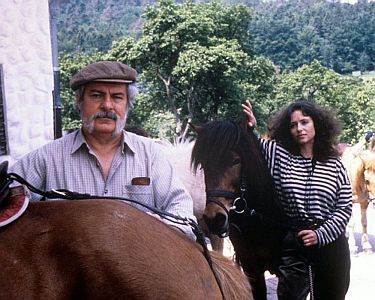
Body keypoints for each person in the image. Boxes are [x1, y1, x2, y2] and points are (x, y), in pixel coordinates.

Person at [9, 60, 196, 239]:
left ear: (127, 104)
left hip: (137, 270)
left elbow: (182, 211)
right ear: (79, 100)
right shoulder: (46, 159)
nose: (107, 105)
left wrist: (163, 227)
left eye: (117, 97)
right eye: (96, 95)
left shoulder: (150, 155)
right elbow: (8, 201)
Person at [242, 99, 352, 300]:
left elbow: (344, 207)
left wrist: (320, 234)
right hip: (295, 241)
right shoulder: (279, 155)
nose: (299, 128)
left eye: (304, 122)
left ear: (316, 124)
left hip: (331, 244)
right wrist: (251, 128)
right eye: (293, 125)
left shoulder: (334, 164)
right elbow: (255, 147)